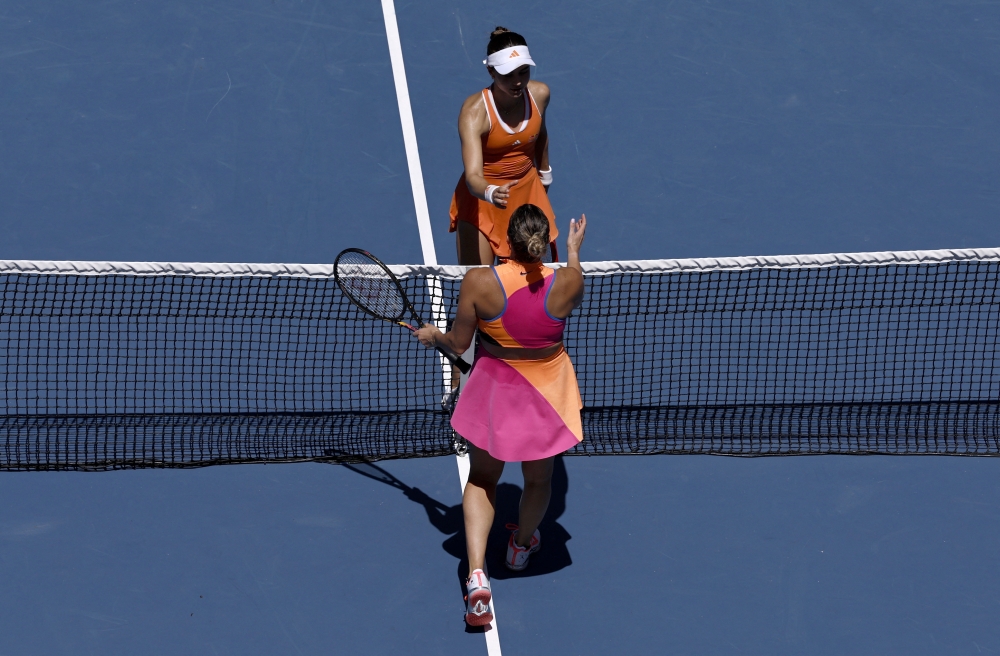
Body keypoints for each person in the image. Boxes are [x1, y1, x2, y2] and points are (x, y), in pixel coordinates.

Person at [415, 205, 587, 626]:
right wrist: (573, 250)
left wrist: (433, 335)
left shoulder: (479, 282)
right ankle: (520, 547)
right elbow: (568, 275)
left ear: (505, 243)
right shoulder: (569, 281)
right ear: (544, 243)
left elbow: (458, 344)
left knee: (483, 479)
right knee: (539, 479)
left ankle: (477, 577)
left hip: (496, 392)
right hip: (547, 396)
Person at [450, 27, 557, 265]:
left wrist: (545, 174)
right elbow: (473, 176)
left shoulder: (540, 95)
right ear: (491, 71)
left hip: (528, 195)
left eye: (523, 72)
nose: (517, 81)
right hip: (482, 199)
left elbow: (540, 134)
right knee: (479, 283)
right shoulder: (474, 113)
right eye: (507, 75)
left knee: (528, 283)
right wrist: (491, 192)